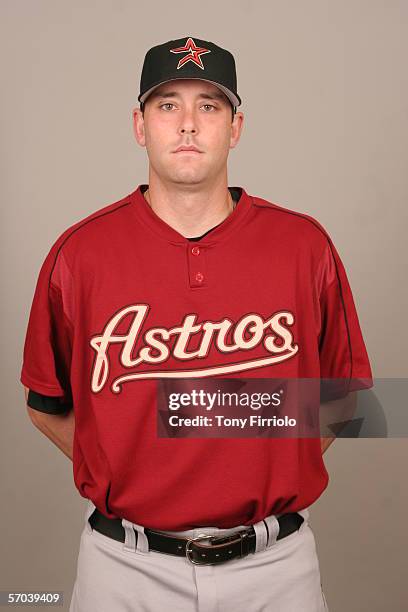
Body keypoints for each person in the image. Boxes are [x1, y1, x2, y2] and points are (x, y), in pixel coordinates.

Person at [20, 36, 373, 611]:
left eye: (209, 105)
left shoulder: (304, 246)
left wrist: (263, 456)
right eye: (168, 105)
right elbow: (46, 404)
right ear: (140, 125)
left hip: (277, 568)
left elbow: (342, 399)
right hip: (123, 567)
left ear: (235, 129)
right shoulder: (80, 254)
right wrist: (129, 468)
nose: (188, 124)